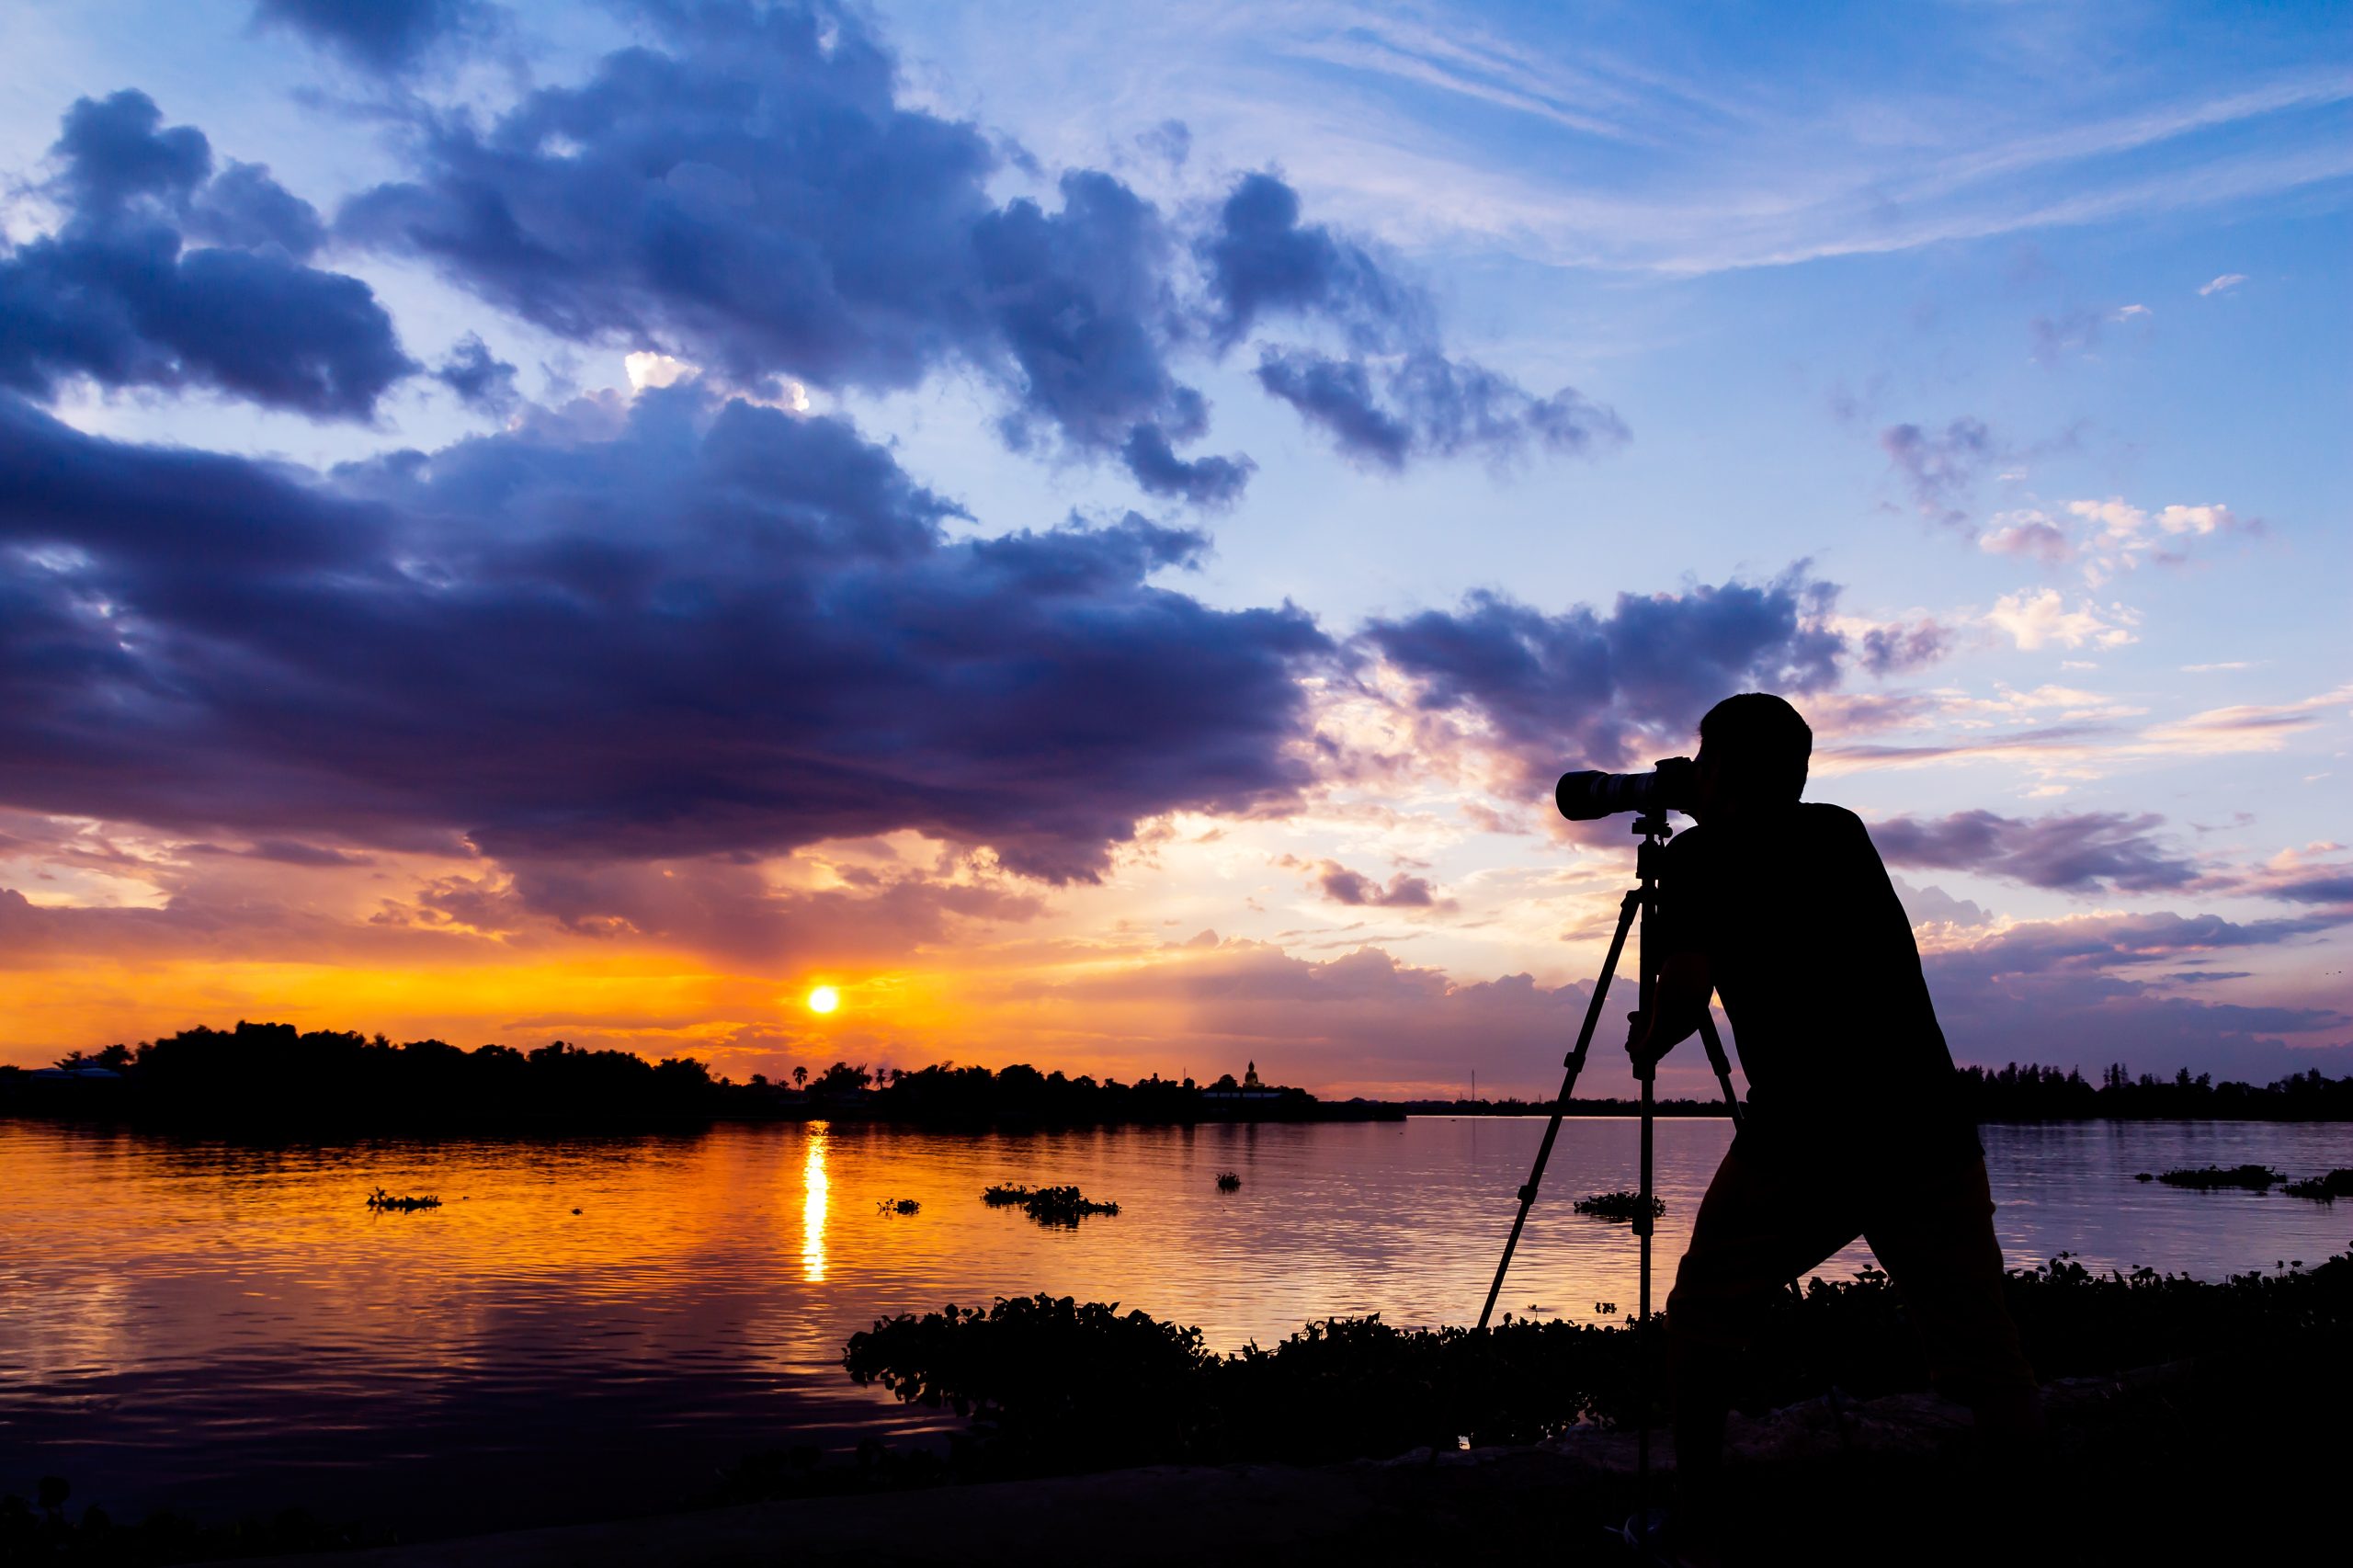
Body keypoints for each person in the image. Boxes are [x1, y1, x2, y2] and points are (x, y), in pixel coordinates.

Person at [1625, 692, 2039, 1544]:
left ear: (1720, 769)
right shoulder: (1842, 832)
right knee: (1981, 1340)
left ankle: (1695, 1529)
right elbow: (1772, 864)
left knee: (1704, 1314)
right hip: (1927, 1126)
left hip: (1803, 1136)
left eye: (1703, 759)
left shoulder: (1700, 859)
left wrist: (1647, 1031)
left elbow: (1680, 1009)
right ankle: (2032, 1521)